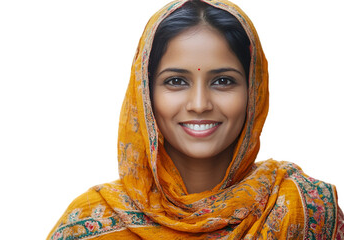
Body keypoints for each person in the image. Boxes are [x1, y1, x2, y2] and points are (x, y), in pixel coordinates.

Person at [47, 0, 343, 239]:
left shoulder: (303, 208)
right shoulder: (89, 224)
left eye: (223, 81)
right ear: (145, 93)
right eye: (176, 81)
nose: (200, 104)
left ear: (254, 91)